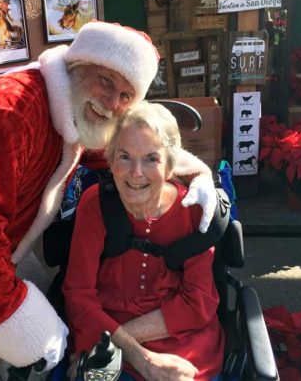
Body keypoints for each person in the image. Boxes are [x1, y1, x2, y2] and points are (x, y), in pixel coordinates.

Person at [0, 21, 216, 380]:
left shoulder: (66, 108)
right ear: (77, 66)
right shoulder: (10, 112)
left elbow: (112, 152)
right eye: (106, 81)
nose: (112, 103)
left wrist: (192, 171)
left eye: (126, 96)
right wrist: (24, 330)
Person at [63, 102, 224, 381]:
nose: (136, 173)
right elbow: (78, 296)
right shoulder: (95, 206)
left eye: (151, 158)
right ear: (110, 161)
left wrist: (109, 341)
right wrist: (141, 357)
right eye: (124, 157)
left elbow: (198, 303)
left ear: (170, 166)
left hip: (179, 338)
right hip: (108, 333)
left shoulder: (194, 209)